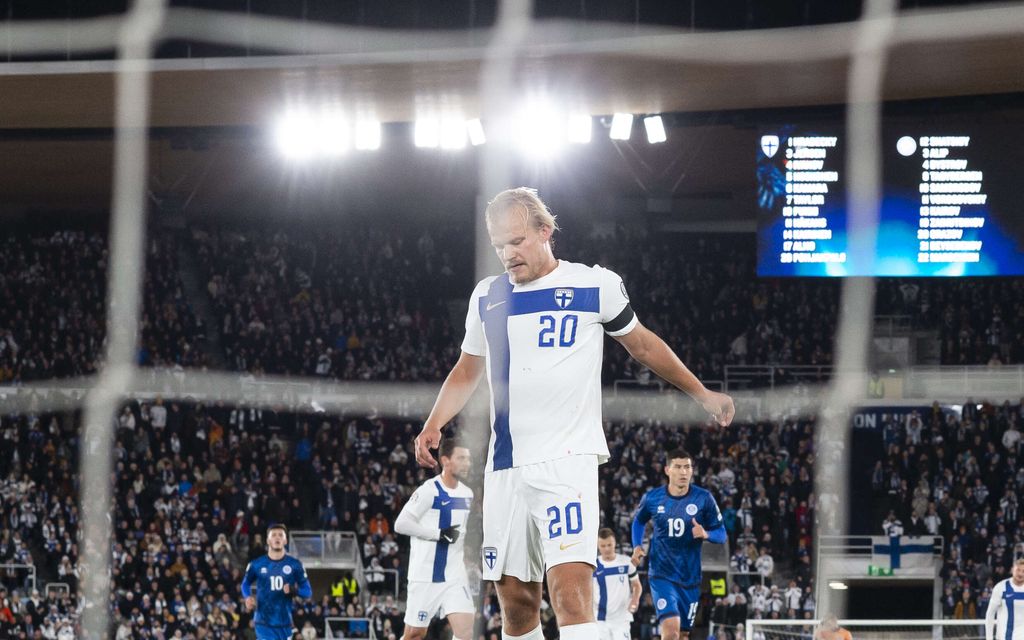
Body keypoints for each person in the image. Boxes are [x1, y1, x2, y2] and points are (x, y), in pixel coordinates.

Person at [415, 187, 735, 640]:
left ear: (545, 231)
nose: (507, 254)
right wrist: (434, 422)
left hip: (567, 463)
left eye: (517, 241)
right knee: (516, 608)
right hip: (505, 468)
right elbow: (468, 369)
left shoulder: (594, 285)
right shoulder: (487, 296)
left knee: (570, 597)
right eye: (499, 245)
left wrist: (701, 393)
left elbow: (643, 345)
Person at [631, 449, 727, 640]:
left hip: (690, 578)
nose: (683, 472)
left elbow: (721, 534)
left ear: (692, 470)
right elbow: (638, 522)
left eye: (687, 467)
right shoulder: (653, 498)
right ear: (667, 470)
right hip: (662, 575)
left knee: (683, 635)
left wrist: (706, 533)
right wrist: (637, 545)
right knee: (671, 632)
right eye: (678, 467)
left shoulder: (704, 498)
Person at [394, 438, 475, 640]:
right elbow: (401, 524)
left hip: (455, 575)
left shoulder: (468, 494)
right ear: (445, 461)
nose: (467, 463)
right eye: (461, 458)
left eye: (468, 459)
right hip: (425, 575)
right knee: (415, 634)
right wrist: (438, 534)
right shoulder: (429, 490)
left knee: (465, 632)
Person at [241, 524, 313, 640]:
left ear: (285, 541)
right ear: (268, 541)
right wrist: (247, 597)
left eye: (280, 535)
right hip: (263, 622)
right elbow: (245, 583)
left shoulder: (295, 564)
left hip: (284, 623)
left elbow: (308, 592)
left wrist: (294, 590)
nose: (277, 537)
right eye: (273, 535)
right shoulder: (256, 564)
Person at [593, 528, 641, 640]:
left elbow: (636, 585)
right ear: (598, 546)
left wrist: (635, 600)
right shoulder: (593, 566)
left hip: (622, 619)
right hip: (600, 620)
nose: (607, 549)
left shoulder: (626, 562)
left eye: (609, 545)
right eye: (603, 546)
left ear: (614, 542)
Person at [985, 558, 1024, 640]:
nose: (1020, 574)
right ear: (1012, 569)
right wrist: (989, 638)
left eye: (1023, 571)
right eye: (1018, 570)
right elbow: (990, 614)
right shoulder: (1001, 587)